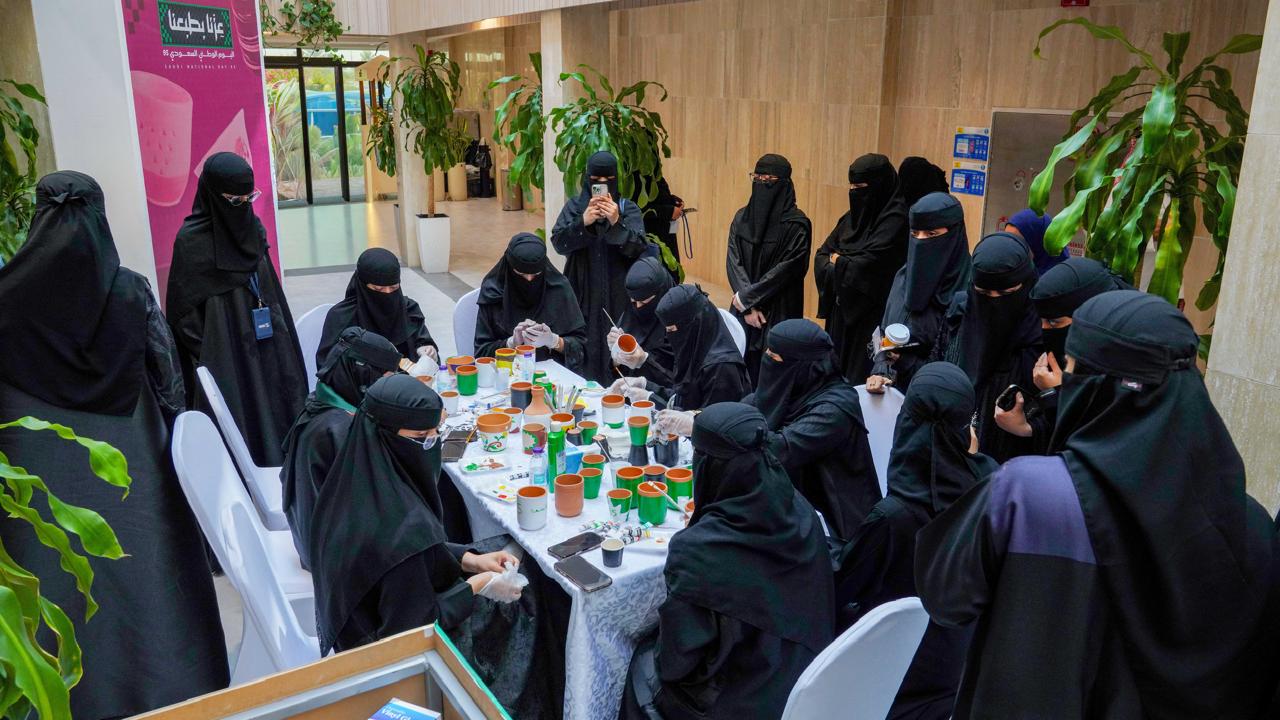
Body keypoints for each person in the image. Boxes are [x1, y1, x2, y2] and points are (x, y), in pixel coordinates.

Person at [916, 290, 1280, 718]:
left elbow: (946, 595)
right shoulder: (1252, 525)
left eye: (1071, 370)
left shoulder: (1027, 496)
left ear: (1095, 387)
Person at [0, 172, 229, 717]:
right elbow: (170, 386)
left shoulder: (3, 301)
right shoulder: (129, 292)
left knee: (52, 593)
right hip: (133, 482)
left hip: (37, 496)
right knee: (151, 591)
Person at [310, 375, 568, 714]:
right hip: (394, 664)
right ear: (384, 435)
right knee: (538, 596)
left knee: (505, 548)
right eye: (422, 438)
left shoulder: (352, 480)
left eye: (436, 434)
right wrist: (478, 586)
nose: (431, 446)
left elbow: (417, 555)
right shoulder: (400, 526)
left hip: (362, 626)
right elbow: (411, 632)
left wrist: (470, 560)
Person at [621, 403, 834, 720]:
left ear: (706, 465)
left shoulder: (698, 549)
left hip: (741, 701)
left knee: (638, 660)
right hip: (810, 677)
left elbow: (674, 664)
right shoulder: (801, 511)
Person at [834, 362, 997, 719]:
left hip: (893, 672)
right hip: (958, 665)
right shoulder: (992, 485)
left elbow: (843, 584)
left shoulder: (894, 515)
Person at [167, 152, 307, 466]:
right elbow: (183, 314)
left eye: (248, 198)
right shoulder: (191, 243)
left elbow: (269, 287)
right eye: (234, 200)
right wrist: (218, 349)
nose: (243, 206)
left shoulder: (252, 228)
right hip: (226, 357)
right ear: (212, 195)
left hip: (269, 345)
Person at [744, 319, 880, 540]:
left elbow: (781, 448)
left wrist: (723, 428)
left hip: (834, 527)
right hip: (790, 506)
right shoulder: (796, 387)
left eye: (774, 356)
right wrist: (700, 416)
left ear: (802, 365)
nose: (767, 358)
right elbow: (751, 404)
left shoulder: (834, 409)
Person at [280, 326, 401, 569]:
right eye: (387, 379)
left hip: (312, 535)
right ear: (365, 377)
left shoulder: (322, 401)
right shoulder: (340, 431)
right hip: (334, 560)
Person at [992, 257, 1129, 453]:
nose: (1044, 330)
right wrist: (1028, 428)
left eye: (1054, 322)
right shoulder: (1053, 358)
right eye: (1041, 321)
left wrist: (1060, 393)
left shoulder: (1132, 367)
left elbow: (1108, 442)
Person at [940, 232, 1041, 462]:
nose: (994, 301)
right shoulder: (959, 315)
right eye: (984, 293)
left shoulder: (1039, 338)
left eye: (1006, 293)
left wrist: (1029, 428)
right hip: (953, 456)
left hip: (1010, 463)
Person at [551, 150, 648, 383]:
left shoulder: (627, 209)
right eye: (596, 182)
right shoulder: (575, 207)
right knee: (585, 351)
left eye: (608, 181)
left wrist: (616, 222)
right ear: (588, 180)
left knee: (617, 352)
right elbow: (559, 243)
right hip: (582, 295)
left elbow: (639, 248)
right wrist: (583, 222)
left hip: (619, 297)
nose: (603, 187)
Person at [814, 154, 910, 383]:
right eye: (852, 187)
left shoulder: (896, 221)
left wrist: (838, 261)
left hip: (872, 314)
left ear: (879, 186)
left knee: (860, 377)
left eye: (860, 188)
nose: (854, 193)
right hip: (841, 311)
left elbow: (870, 266)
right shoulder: (850, 219)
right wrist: (842, 264)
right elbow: (821, 255)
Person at [867, 192, 971, 394]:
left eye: (931, 234)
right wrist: (881, 370)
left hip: (934, 398)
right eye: (915, 234)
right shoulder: (904, 277)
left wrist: (903, 362)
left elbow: (954, 365)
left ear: (954, 234)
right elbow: (883, 334)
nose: (921, 242)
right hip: (890, 395)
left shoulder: (967, 290)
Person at [726, 153, 812, 384]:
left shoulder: (796, 225)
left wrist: (748, 298)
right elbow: (733, 260)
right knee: (739, 370)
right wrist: (747, 304)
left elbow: (787, 270)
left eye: (769, 179)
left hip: (778, 310)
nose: (762, 183)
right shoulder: (742, 218)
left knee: (773, 374)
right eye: (757, 177)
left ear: (784, 184)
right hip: (743, 309)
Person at [612, 284, 748, 412]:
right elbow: (682, 396)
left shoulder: (722, 368)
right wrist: (646, 385)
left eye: (671, 330)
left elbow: (703, 420)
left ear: (692, 325)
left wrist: (650, 398)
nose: (669, 335)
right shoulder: (694, 347)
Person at [474, 232, 587, 371]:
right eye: (521, 274)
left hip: (553, 376)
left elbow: (581, 349)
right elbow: (481, 354)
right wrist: (510, 344)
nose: (529, 280)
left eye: (536, 274)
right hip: (506, 375)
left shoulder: (559, 290)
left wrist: (554, 341)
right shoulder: (494, 293)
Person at [316, 248, 439, 367]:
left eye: (394, 288)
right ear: (362, 285)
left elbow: (422, 342)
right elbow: (328, 366)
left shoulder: (408, 309)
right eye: (378, 289)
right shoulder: (342, 317)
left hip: (409, 379)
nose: (387, 293)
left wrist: (426, 349)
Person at [607, 256, 677, 388]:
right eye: (634, 302)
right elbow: (616, 374)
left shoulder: (677, 323)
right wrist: (617, 357)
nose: (638, 307)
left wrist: (644, 361)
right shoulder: (630, 314)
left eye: (644, 303)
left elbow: (680, 387)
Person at [1005, 208, 1067, 276]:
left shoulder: (1063, 279)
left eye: (1016, 243)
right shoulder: (1013, 274)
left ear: (1038, 244)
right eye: (1006, 239)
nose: (1009, 249)